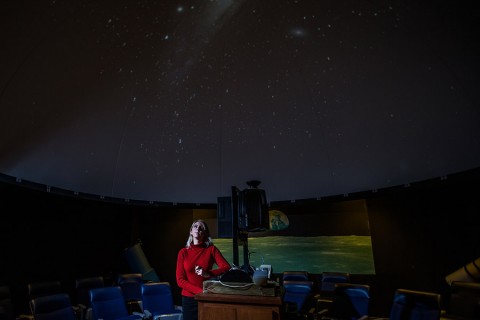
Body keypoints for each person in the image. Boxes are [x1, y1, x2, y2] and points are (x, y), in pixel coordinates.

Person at [176, 219, 231, 320]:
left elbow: (227, 267)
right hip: (189, 299)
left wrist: (208, 273)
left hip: (207, 298)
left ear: (205, 233)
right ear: (191, 231)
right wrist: (201, 291)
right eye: (196, 226)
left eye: (202, 228)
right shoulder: (183, 252)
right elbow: (180, 280)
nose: (198, 228)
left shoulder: (211, 250)